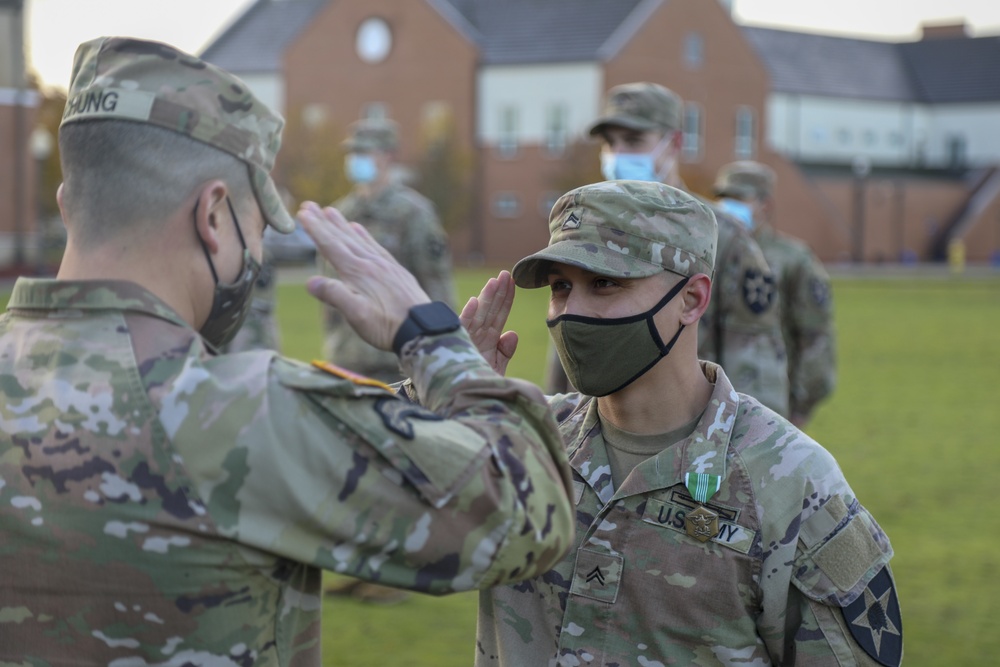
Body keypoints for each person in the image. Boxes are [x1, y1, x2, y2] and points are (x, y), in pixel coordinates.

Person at [0, 37, 575, 665]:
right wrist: (437, 345)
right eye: (257, 226)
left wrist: (417, 408)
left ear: (68, 203)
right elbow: (529, 513)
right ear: (215, 216)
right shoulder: (234, 411)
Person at [461, 180, 901, 665]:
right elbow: (375, 508)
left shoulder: (791, 481)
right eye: (561, 287)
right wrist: (440, 396)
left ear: (691, 299)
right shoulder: (519, 442)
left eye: (605, 282)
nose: (573, 312)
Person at [546, 82, 789, 418]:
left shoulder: (725, 237)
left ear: (674, 142)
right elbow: (568, 347)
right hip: (594, 446)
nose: (617, 154)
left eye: (632, 141)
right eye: (609, 143)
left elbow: (754, 374)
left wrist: (737, 457)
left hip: (692, 447)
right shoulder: (590, 226)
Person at [319, 117, 455, 383]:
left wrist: (441, 353)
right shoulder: (340, 215)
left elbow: (436, 288)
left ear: (389, 155)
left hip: (398, 362)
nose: (356, 159)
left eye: (364, 151)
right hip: (345, 361)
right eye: (353, 152)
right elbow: (329, 295)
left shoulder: (415, 214)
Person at [714, 160, 837, 427]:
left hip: (766, 405)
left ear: (765, 205)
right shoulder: (709, 253)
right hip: (707, 405)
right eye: (724, 197)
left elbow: (815, 337)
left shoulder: (794, 259)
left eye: (739, 197)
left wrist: (800, 408)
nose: (727, 206)